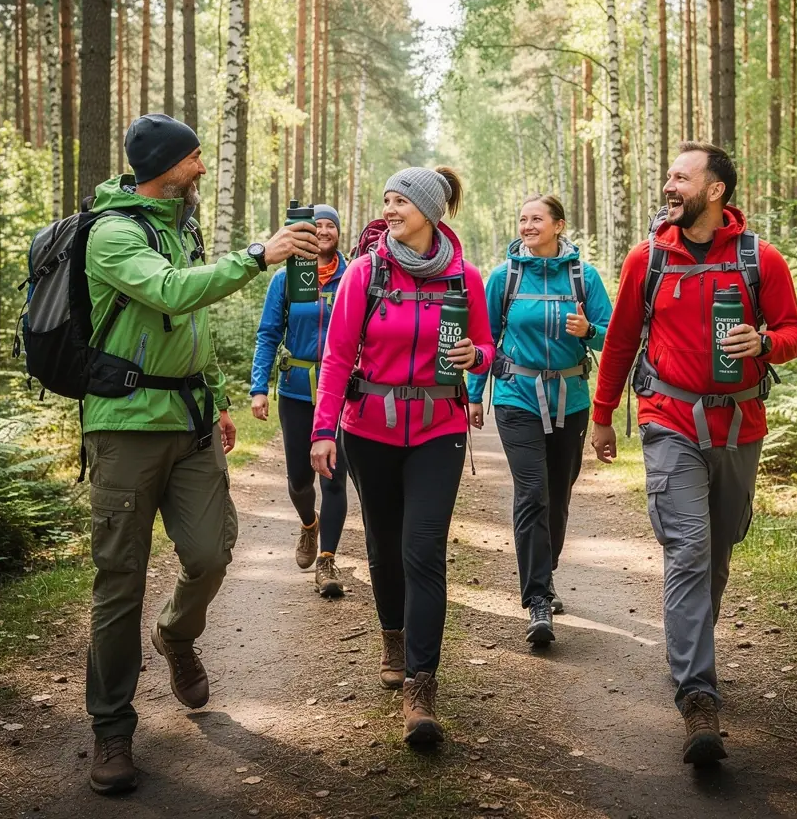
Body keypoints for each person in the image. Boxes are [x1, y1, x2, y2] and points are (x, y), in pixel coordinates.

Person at [81, 113, 315, 794]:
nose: (203, 168)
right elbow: (169, 291)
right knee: (120, 581)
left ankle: (176, 634)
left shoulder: (180, 226)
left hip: (191, 422)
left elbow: (191, 321)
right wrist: (258, 255)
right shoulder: (113, 233)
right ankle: (112, 729)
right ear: (164, 166)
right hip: (126, 427)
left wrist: (215, 397)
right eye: (193, 160)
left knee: (212, 553)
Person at [591, 142, 797, 766]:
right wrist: (602, 415)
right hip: (669, 419)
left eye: (681, 178)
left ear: (715, 191)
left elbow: (794, 332)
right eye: (668, 176)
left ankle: (690, 647)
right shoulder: (648, 259)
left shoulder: (760, 259)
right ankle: (698, 696)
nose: (669, 186)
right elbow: (621, 339)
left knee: (716, 551)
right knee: (687, 548)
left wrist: (764, 342)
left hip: (740, 424)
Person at [310, 166, 494, 746]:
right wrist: (322, 430)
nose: (389, 210)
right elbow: (337, 356)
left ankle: (421, 685)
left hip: (441, 429)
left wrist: (476, 357)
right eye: (386, 200)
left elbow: (488, 346)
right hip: (369, 430)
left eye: (401, 202)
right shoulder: (364, 273)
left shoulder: (465, 277)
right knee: (385, 546)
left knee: (424, 548)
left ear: (430, 211)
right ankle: (392, 634)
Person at [468, 195, 611, 644]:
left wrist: (589, 331)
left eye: (537, 219)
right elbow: (485, 340)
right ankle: (537, 600)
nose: (527, 226)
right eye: (523, 219)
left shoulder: (583, 277)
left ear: (558, 225)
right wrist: (474, 394)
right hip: (517, 397)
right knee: (532, 492)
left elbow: (613, 338)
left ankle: (544, 572)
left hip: (571, 399)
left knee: (558, 495)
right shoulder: (504, 276)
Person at [250, 205, 349, 597]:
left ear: (339, 233)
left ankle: (327, 559)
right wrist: (259, 387)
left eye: (330, 226)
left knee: (334, 478)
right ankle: (309, 524)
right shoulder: (286, 278)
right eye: (317, 225)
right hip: (295, 391)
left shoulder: (353, 276)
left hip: (340, 392)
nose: (323, 231)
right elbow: (268, 334)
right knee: (299, 480)